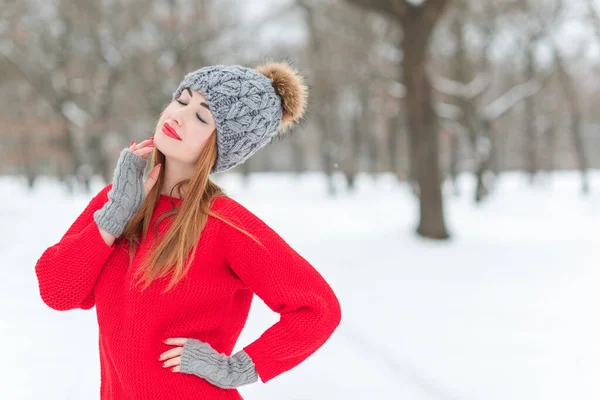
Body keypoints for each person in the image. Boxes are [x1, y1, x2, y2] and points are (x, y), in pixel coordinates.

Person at [34, 61, 342, 400]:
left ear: (223, 144)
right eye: (182, 100)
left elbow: (317, 309)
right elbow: (57, 290)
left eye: (202, 116)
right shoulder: (117, 203)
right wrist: (115, 215)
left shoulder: (226, 223)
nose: (178, 116)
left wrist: (238, 368)